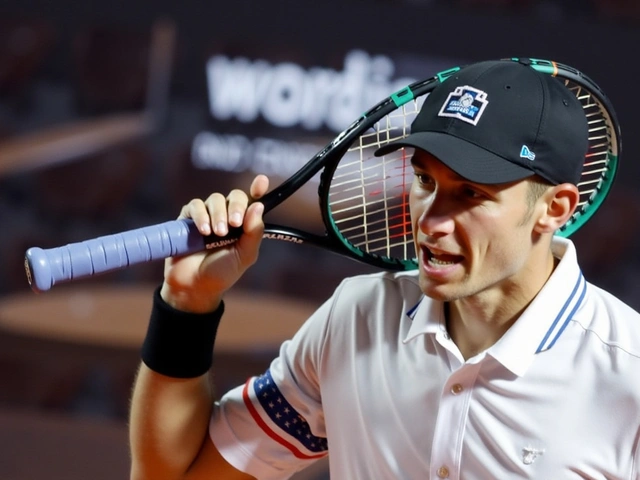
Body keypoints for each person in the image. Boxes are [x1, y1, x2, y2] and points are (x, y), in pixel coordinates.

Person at [129, 60, 640, 479]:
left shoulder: (629, 375)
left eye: (471, 194)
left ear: (555, 208)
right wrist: (187, 304)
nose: (432, 219)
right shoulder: (354, 319)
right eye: (424, 179)